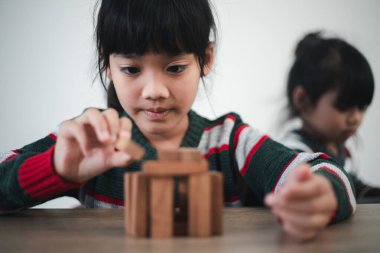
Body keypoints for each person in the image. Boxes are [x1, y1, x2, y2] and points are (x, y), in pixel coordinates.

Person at [0, 0, 355, 241]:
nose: (154, 90)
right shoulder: (90, 139)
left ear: (206, 58)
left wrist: (319, 193)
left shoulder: (231, 142)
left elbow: (320, 168)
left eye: (175, 68)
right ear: (107, 65)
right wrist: (56, 169)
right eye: (131, 69)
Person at [281, 31, 380, 203]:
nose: (355, 118)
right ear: (302, 100)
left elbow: (354, 186)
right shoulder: (294, 154)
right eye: (343, 106)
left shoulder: (340, 149)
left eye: (361, 107)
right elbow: (327, 195)